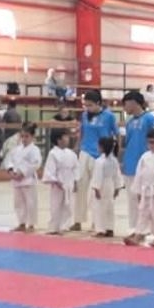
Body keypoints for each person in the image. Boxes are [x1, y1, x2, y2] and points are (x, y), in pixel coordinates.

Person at [76, 90, 119, 233]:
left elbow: (116, 134)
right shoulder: (84, 116)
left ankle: (97, 222)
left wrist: (116, 153)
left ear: (99, 103)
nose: (87, 108)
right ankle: (78, 220)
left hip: (100, 155)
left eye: (90, 105)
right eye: (86, 105)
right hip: (85, 151)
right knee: (81, 186)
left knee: (97, 190)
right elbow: (81, 133)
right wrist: (78, 148)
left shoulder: (109, 116)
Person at [120, 91, 154, 231]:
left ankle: (150, 229)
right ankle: (134, 228)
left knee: (146, 200)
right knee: (132, 199)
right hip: (130, 164)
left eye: (125, 104)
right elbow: (127, 143)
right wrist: (123, 162)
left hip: (146, 164)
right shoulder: (129, 122)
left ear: (133, 102)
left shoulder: (150, 119)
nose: (124, 108)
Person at [125, 128, 154, 247]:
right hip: (146, 188)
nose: (151, 145)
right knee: (143, 212)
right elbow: (139, 173)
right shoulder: (145, 156)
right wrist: (139, 190)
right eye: (149, 142)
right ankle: (140, 234)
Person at [4, 126, 41, 232]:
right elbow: (8, 160)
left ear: (32, 137)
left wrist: (22, 173)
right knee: (18, 203)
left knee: (31, 203)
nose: (24, 139)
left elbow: (35, 164)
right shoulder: (16, 149)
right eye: (22, 136)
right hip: (16, 179)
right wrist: (11, 171)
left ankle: (31, 224)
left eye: (27, 136)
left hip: (28, 180)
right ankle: (21, 223)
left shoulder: (35, 150)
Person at [42, 131, 79, 235]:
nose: (67, 139)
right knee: (56, 205)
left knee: (69, 206)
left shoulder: (71, 153)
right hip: (58, 182)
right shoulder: (53, 153)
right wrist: (55, 180)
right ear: (59, 140)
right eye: (65, 137)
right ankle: (53, 227)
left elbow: (76, 168)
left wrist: (75, 181)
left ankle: (64, 226)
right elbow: (49, 170)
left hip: (69, 181)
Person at [91, 136, 122, 238]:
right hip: (111, 185)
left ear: (102, 147)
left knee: (99, 208)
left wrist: (96, 189)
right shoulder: (114, 160)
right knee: (110, 207)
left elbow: (97, 176)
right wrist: (117, 188)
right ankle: (110, 228)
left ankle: (101, 229)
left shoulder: (100, 161)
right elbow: (117, 175)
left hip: (102, 185)